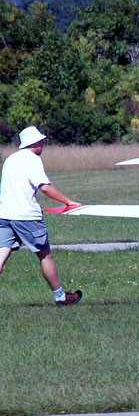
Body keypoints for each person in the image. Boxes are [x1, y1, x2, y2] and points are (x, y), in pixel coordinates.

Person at [0, 127, 83, 306]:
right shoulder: (33, 160)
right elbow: (44, 187)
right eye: (41, 141)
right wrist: (69, 201)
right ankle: (61, 297)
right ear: (34, 143)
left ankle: (61, 297)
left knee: (0, 256)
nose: (43, 144)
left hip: (4, 215)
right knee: (45, 256)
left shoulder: (10, 159)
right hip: (26, 217)